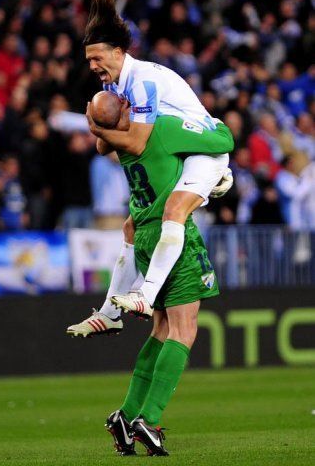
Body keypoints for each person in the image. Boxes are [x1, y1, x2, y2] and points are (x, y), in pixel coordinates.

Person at [69, 91, 232, 456]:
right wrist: (213, 124)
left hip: (142, 234)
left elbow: (107, 131)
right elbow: (223, 139)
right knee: (184, 330)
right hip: (174, 237)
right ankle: (150, 419)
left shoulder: (119, 144)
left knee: (161, 329)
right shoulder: (160, 129)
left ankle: (126, 416)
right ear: (127, 110)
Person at [69, 0, 233, 334]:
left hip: (205, 152)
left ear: (118, 51)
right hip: (179, 152)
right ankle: (108, 314)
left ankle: (146, 293)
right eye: (89, 61)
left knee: (174, 211)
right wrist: (101, 129)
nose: (93, 66)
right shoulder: (114, 89)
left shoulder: (142, 81)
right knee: (131, 226)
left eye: (98, 58)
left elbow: (138, 143)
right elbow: (107, 147)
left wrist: (96, 127)